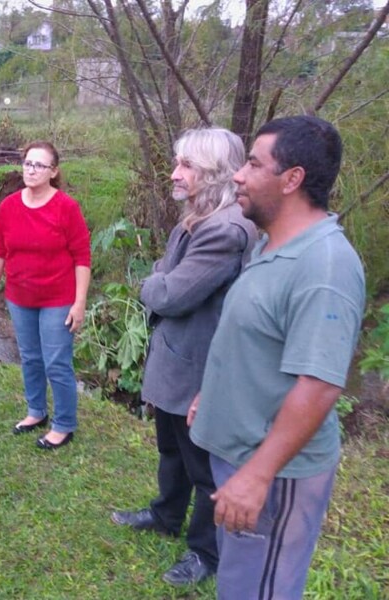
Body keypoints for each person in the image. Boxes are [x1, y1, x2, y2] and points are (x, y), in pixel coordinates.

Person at [188, 116, 365, 599]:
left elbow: (320, 384)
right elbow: (259, 340)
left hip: (275, 475)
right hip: (242, 457)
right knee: (240, 580)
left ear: (292, 179)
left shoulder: (324, 266)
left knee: (260, 589)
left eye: (253, 163)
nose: (238, 175)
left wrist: (258, 474)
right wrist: (214, 392)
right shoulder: (273, 245)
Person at [110, 128, 257, 586]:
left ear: (215, 174)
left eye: (186, 166)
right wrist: (162, 279)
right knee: (171, 449)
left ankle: (204, 553)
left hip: (198, 371)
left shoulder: (225, 230)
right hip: (175, 361)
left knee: (204, 470)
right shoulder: (196, 218)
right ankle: (165, 515)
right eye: (177, 163)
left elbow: (168, 292)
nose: (175, 174)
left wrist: (153, 283)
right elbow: (168, 279)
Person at [0, 141, 91, 450]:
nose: (31, 170)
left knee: (56, 361)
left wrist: (79, 303)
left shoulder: (66, 208)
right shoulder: (9, 206)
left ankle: (64, 424)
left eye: (39, 165)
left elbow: (82, 257)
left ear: (53, 172)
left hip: (58, 298)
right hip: (20, 296)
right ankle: (36, 412)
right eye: (27, 163)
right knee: (30, 357)